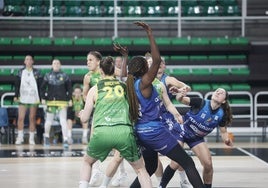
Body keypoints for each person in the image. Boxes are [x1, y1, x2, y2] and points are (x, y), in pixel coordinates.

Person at [125, 21, 204, 188]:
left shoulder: (130, 84)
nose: (150, 66)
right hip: (153, 130)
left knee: (151, 166)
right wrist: (150, 33)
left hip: (140, 131)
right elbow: (157, 60)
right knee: (187, 162)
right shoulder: (144, 83)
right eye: (146, 65)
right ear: (142, 69)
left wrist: (125, 57)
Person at [78, 56, 152, 188]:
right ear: (114, 71)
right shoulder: (125, 87)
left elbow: (84, 119)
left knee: (87, 162)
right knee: (141, 170)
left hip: (102, 132)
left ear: (101, 71)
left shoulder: (94, 89)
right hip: (124, 131)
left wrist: (82, 114)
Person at [159, 87, 233, 188]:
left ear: (224, 101)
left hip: (196, 138)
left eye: (221, 93)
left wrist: (227, 140)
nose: (218, 92)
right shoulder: (200, 102)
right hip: (181, 130)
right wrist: (180, 94)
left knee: (208, 164)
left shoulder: (221, 114)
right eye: (217, 91)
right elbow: (181, 99)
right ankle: (161, 186)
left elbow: (223, 132)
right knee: (176, 162)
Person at [147, 54, 193, 188]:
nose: (158, 65)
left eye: (161, 63)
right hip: (150, 119)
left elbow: (186, 87)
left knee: (179, 150)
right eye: (155, 63)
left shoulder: (168, 79)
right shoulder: (144, 80)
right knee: (153, 157)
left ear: (164, 65)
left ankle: (183, 180)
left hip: (167, 119)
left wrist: (182, 90)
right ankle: (161, 183)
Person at [98, 43, 129, 188]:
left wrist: (125, 57)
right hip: (104, 113)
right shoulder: (92, 78)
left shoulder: (120, 79)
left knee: (118, 150)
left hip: (119, 112)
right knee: (116, 150)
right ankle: (118, 173)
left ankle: (116, 174)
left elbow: (123, 75)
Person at [40, 59, 72, 148]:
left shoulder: (65, 76)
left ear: (60, 65)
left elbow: (69, 88)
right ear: (52, 65)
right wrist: (43, 98)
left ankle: (65, 139)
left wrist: (69, 99)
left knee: (63, 121)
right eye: (54, 63)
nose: (56, 64)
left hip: (62, 101)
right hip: (51, 101)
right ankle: (46, 137)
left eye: (58, 63)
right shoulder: (47, 75)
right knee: (49, 121)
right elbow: (42, 88)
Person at [82, 50, 103, 186]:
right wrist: (90, 102)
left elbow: (124, 74)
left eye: (90, 60)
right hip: (98, 111)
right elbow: (84, 94)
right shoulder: (88, 77)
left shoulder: (108, 71)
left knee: (116, 148)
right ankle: (96, 171)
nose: (88, 62)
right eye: (87, 60)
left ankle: (122, 173)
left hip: (113, 111)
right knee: (93, 141)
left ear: (98, 61)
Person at [14, 55, 42, 145]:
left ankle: (31, 138)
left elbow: (40, 86)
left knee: (32, 118)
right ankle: (20, 137)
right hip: (23, 97)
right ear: (24, 61)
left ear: (33, 61)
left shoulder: (37, 72)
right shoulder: (20, 72)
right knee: (21, 118)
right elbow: (17, 85)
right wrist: (16, 95)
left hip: (34, 97)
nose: (28, 61)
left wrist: (41, 97)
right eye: (27, 59)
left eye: (30, 59)